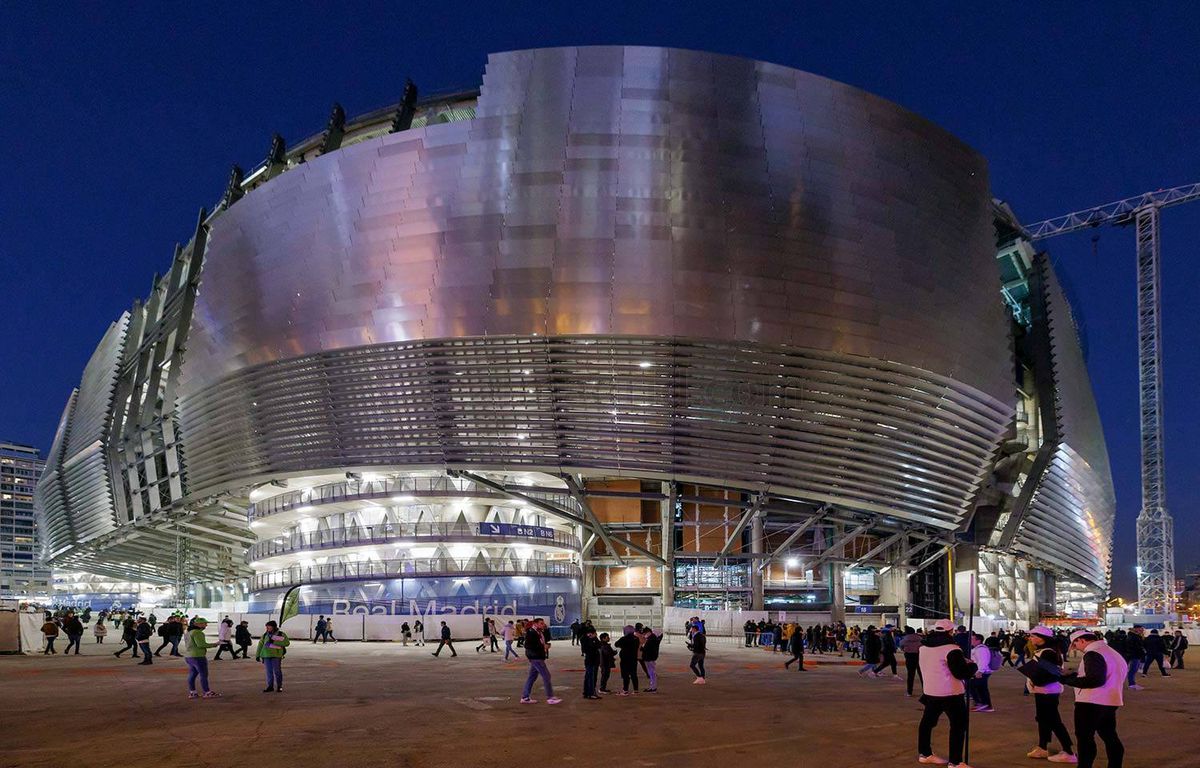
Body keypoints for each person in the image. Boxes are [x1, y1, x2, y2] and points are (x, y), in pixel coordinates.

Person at [916, 619, 978, 768]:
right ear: (951, 632)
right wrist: (972, 666)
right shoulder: (951, 649)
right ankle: (955, 762)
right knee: (958, 726)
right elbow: (960, 673)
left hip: (931, 692)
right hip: (950, 693)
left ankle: (925, 753)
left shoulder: (923, 648)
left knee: (927, 723)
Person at [1060, 630, 1126, 768]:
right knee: (1110, 737)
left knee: (1085, 739)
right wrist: (1077, 674)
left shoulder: (1092, 654)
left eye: (1075, 644)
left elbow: (1095, 680)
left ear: (1082, 640)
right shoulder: (1111, 652)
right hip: (1110, 700)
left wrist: (1067, 680)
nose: (1076, 648)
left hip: (1091, 702)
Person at [1023, 626, 1075, 762]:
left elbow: (1052, 674)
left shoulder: (1047, 653)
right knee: (1043, 719)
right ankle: (1042, 747)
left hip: (1047, 691)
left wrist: (1036, 680)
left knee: (1053, 721)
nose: (1030, 638)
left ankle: (1068, 751)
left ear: (1042, 638)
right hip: (1043, 691)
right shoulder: (1046, 651)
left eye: (1033, 636)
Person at [520, 617, 561, 704]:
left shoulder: (539, 632)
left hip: (537, 656)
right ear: (535, 624)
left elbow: (547, 638)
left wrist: (546, 630)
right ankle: (550, 698)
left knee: (532, 677)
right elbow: (528, 645)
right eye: (541, 623)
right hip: (535, 657)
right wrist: (543, 647)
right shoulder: (531, 632)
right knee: (546, 676)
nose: (543, 625)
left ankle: (525, 697)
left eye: (543, 623)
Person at [183, 617, 220, 698]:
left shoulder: (188, 632)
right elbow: (201, 645)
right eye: (204, 623)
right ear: (197, 624)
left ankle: (193, 692)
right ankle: (207, 692)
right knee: (203, 675)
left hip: (189, 656)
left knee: (192, 674)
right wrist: (214, 644)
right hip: (198, 656)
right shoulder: (198, 633)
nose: (206, 625)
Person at [255, 620, 290, 692]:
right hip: (266, 655)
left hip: (276, 655)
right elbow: (260, 645)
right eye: (266, 627)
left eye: (269, 627)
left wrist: (274, 641)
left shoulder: (281, 634)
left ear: (273, 627)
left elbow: (287, 643)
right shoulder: (265, 635)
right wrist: (258, 655)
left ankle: (279, 686)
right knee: (269, 672)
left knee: (277, 671)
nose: (267, 628)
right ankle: (270, 686)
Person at [968, 633, 994, 713]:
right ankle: (983, 704)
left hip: (981, 672)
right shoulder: (977, 648)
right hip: (980, 671)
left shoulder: (981, 649)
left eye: (972, 639)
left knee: (975, 687)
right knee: (980, 688)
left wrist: (980, 671)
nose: (970, 641)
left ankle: (983, 704)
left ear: (978, 640)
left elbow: (983, 661)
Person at [613, 625, 640, 695]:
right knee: (634, 674)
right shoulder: (636, 639)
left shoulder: (624, 638)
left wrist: (623, 646)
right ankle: (636, 690)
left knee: (625, 675)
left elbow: (616, 644)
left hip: (625, 659)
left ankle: (625, 690)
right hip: (633, 659)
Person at [900, 626, 923, 695]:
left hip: (909, 657)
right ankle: (925, 690)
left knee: (910, 675)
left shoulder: (905, 639)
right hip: (919, 656)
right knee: (922, 674)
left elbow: (901, 645)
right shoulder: (920, 638)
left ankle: (909, 692)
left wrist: (904, 649)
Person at [580, 626, 601, 699]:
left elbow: (599, 645)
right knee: (591, 677)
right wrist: (593, 638)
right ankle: (591, 693)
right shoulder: (586, 639)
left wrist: (594, 638)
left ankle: (586, 692)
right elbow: (594, 647)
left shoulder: (590, 639)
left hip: (592, 660)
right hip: (590, 660)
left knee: (588, 676)